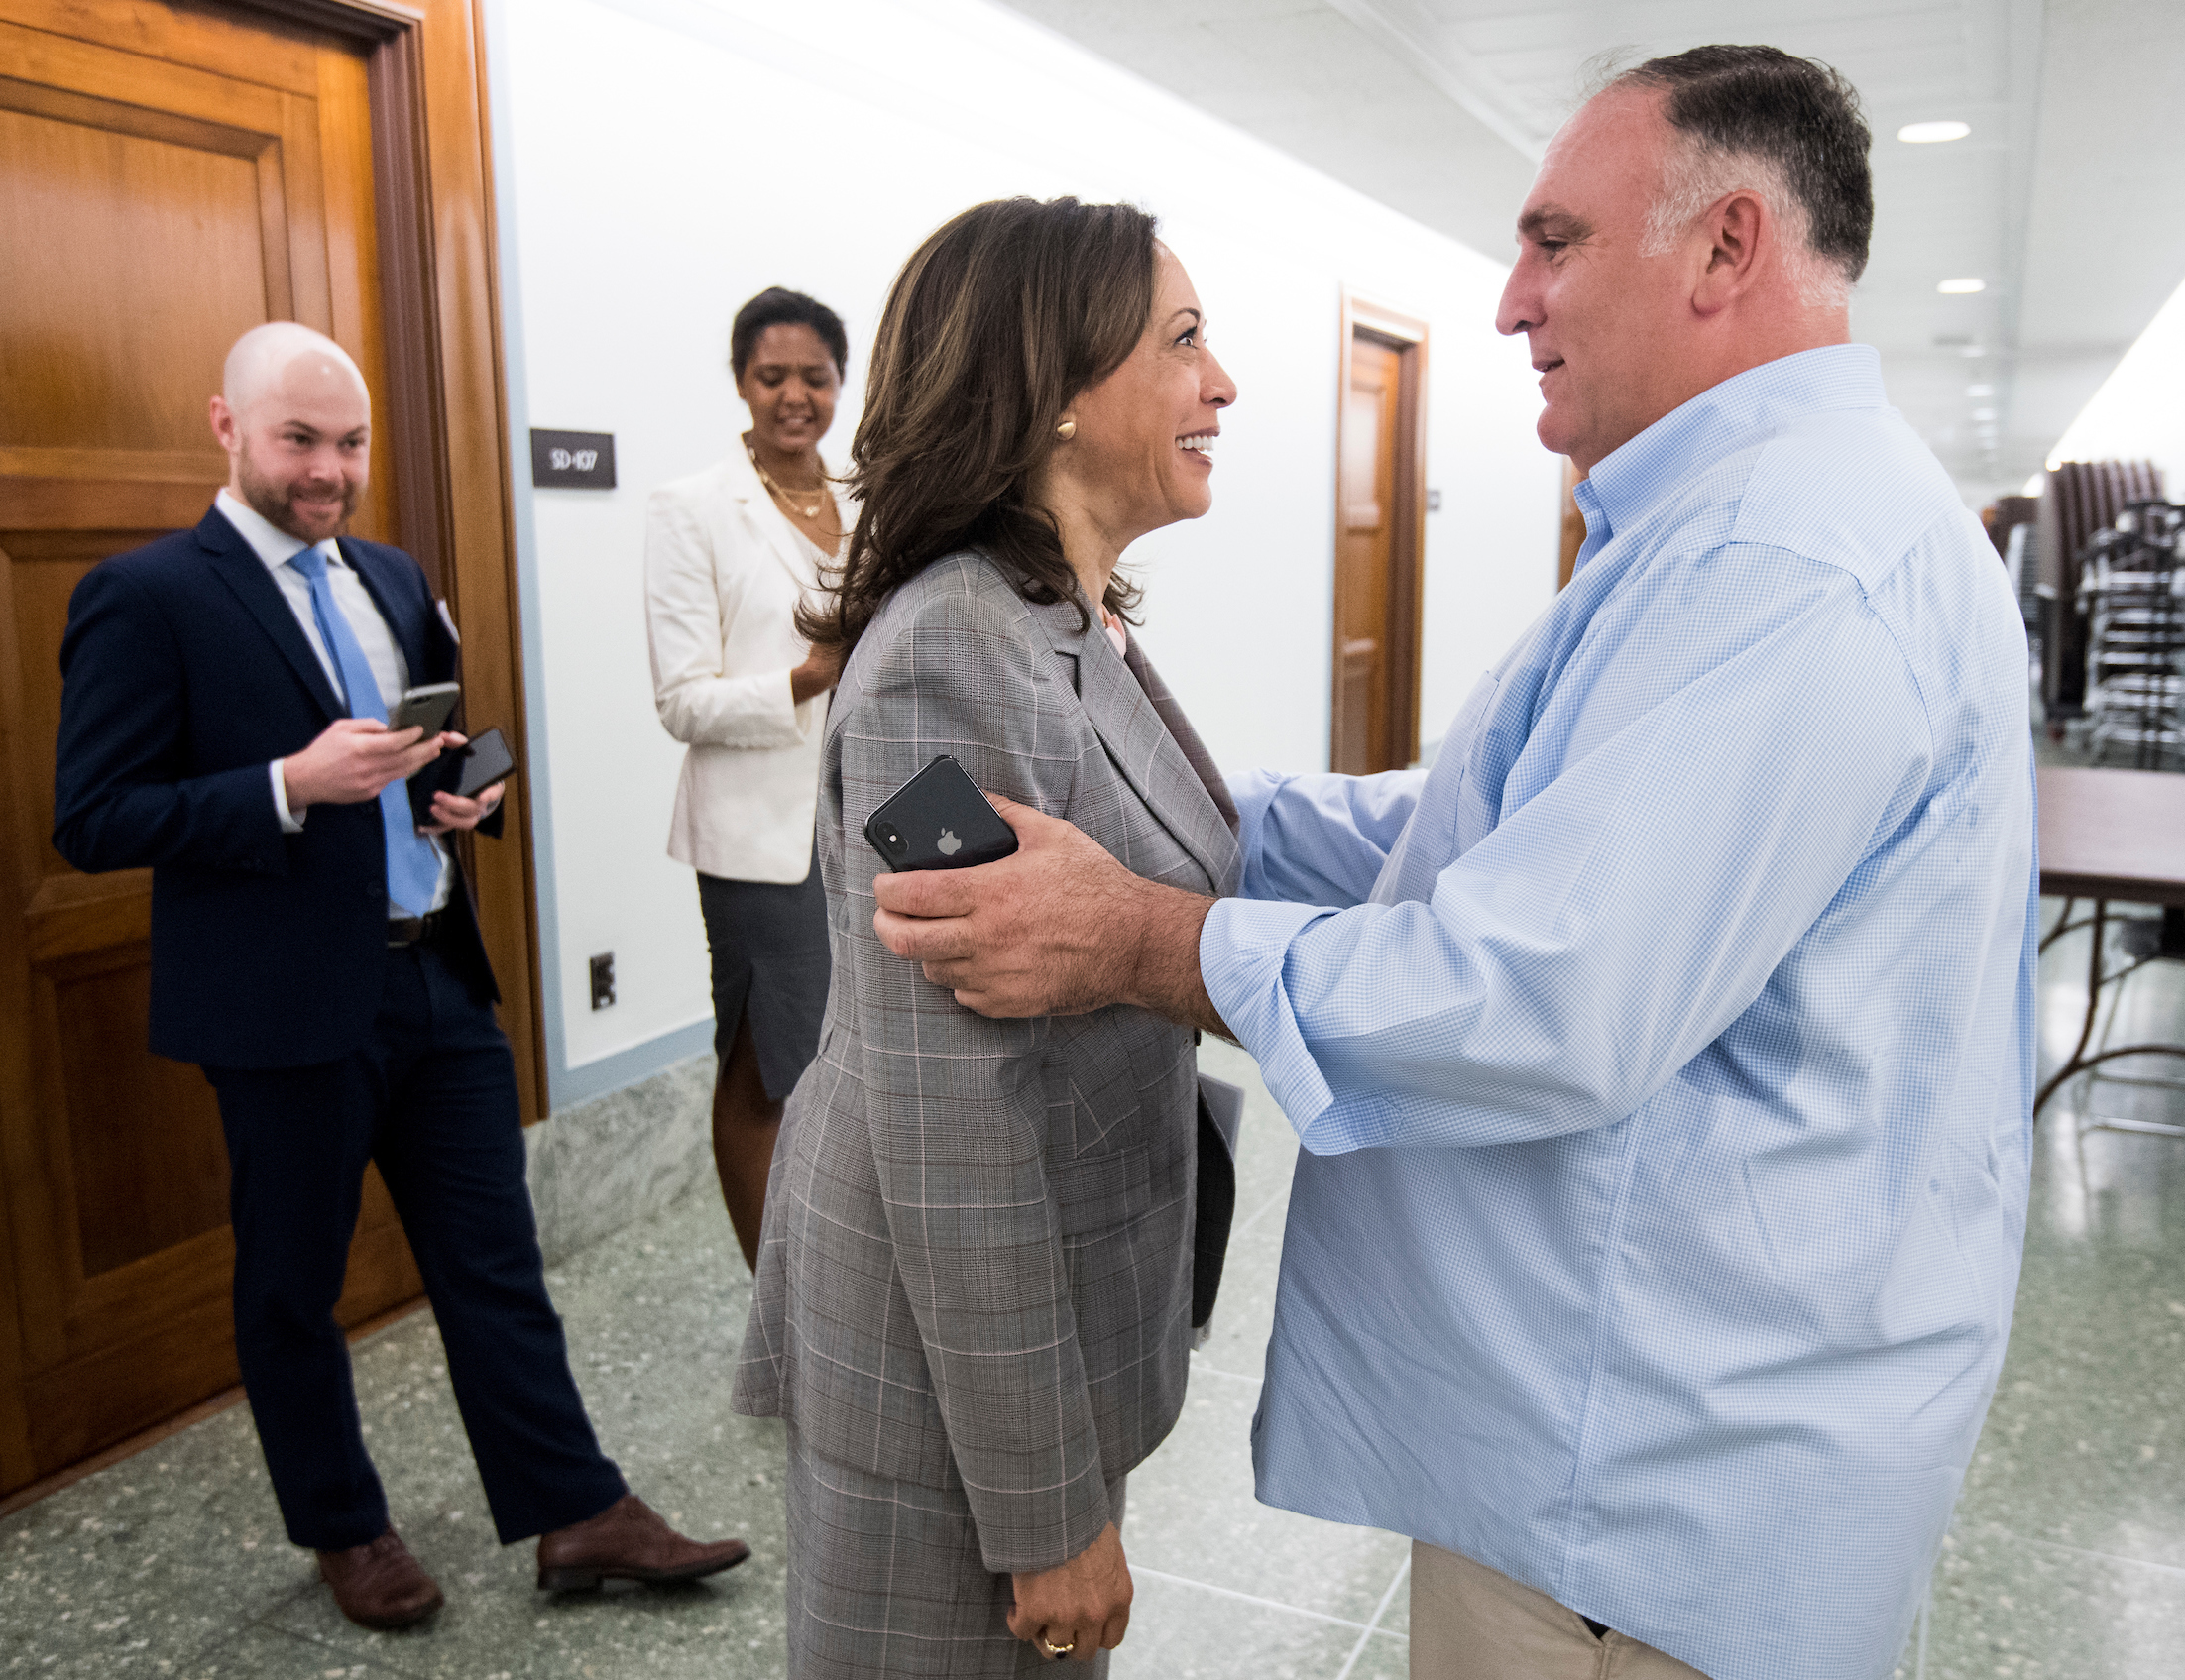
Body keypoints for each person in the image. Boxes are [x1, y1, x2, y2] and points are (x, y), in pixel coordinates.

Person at [869, 49, 2037, 1680]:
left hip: (1641, 1524)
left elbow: (1543, 984)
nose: (1508, 301)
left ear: (1725, 251)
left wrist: (1142, 936)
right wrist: (1196, 816)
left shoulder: (1790, 564)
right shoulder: (1763, 525)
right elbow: (1498, 833)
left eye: (1556, 241)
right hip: (1660, 1467)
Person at [53, 322, 749, 1633]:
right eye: (299, 439)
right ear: (226, 426)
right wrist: (283, 786)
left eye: (350, 442)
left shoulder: (388, 570)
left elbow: (433, 738)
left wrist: (455, 793)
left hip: (434, 976)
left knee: (496, 1259)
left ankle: (575, 1505)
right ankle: (343, 1523)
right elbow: (92, 815)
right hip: (280, 1006)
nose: (329, 469)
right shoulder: (147, 595)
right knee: (293, 1283)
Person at [731, 197, 1245, 1677]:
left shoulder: (1063, 619)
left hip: (1059, 1322)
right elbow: (951, 1113)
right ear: (1062, 390)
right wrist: (1043, 1510)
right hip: (943, 1385)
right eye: (1187, 341)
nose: (1222, 383)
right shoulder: (953, 653)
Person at [645, 286, 850, 1270]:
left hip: (873, 820)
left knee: (852, 1060)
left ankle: (840, 1283)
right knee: (768, 1067)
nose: (795, 397)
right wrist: (808, 678)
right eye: (774, 376)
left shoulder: (867, 499)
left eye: (815, 376)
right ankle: (783, 1313)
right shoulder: (693, 510)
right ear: (741, 383)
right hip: (760, 835)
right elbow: (682, 701)